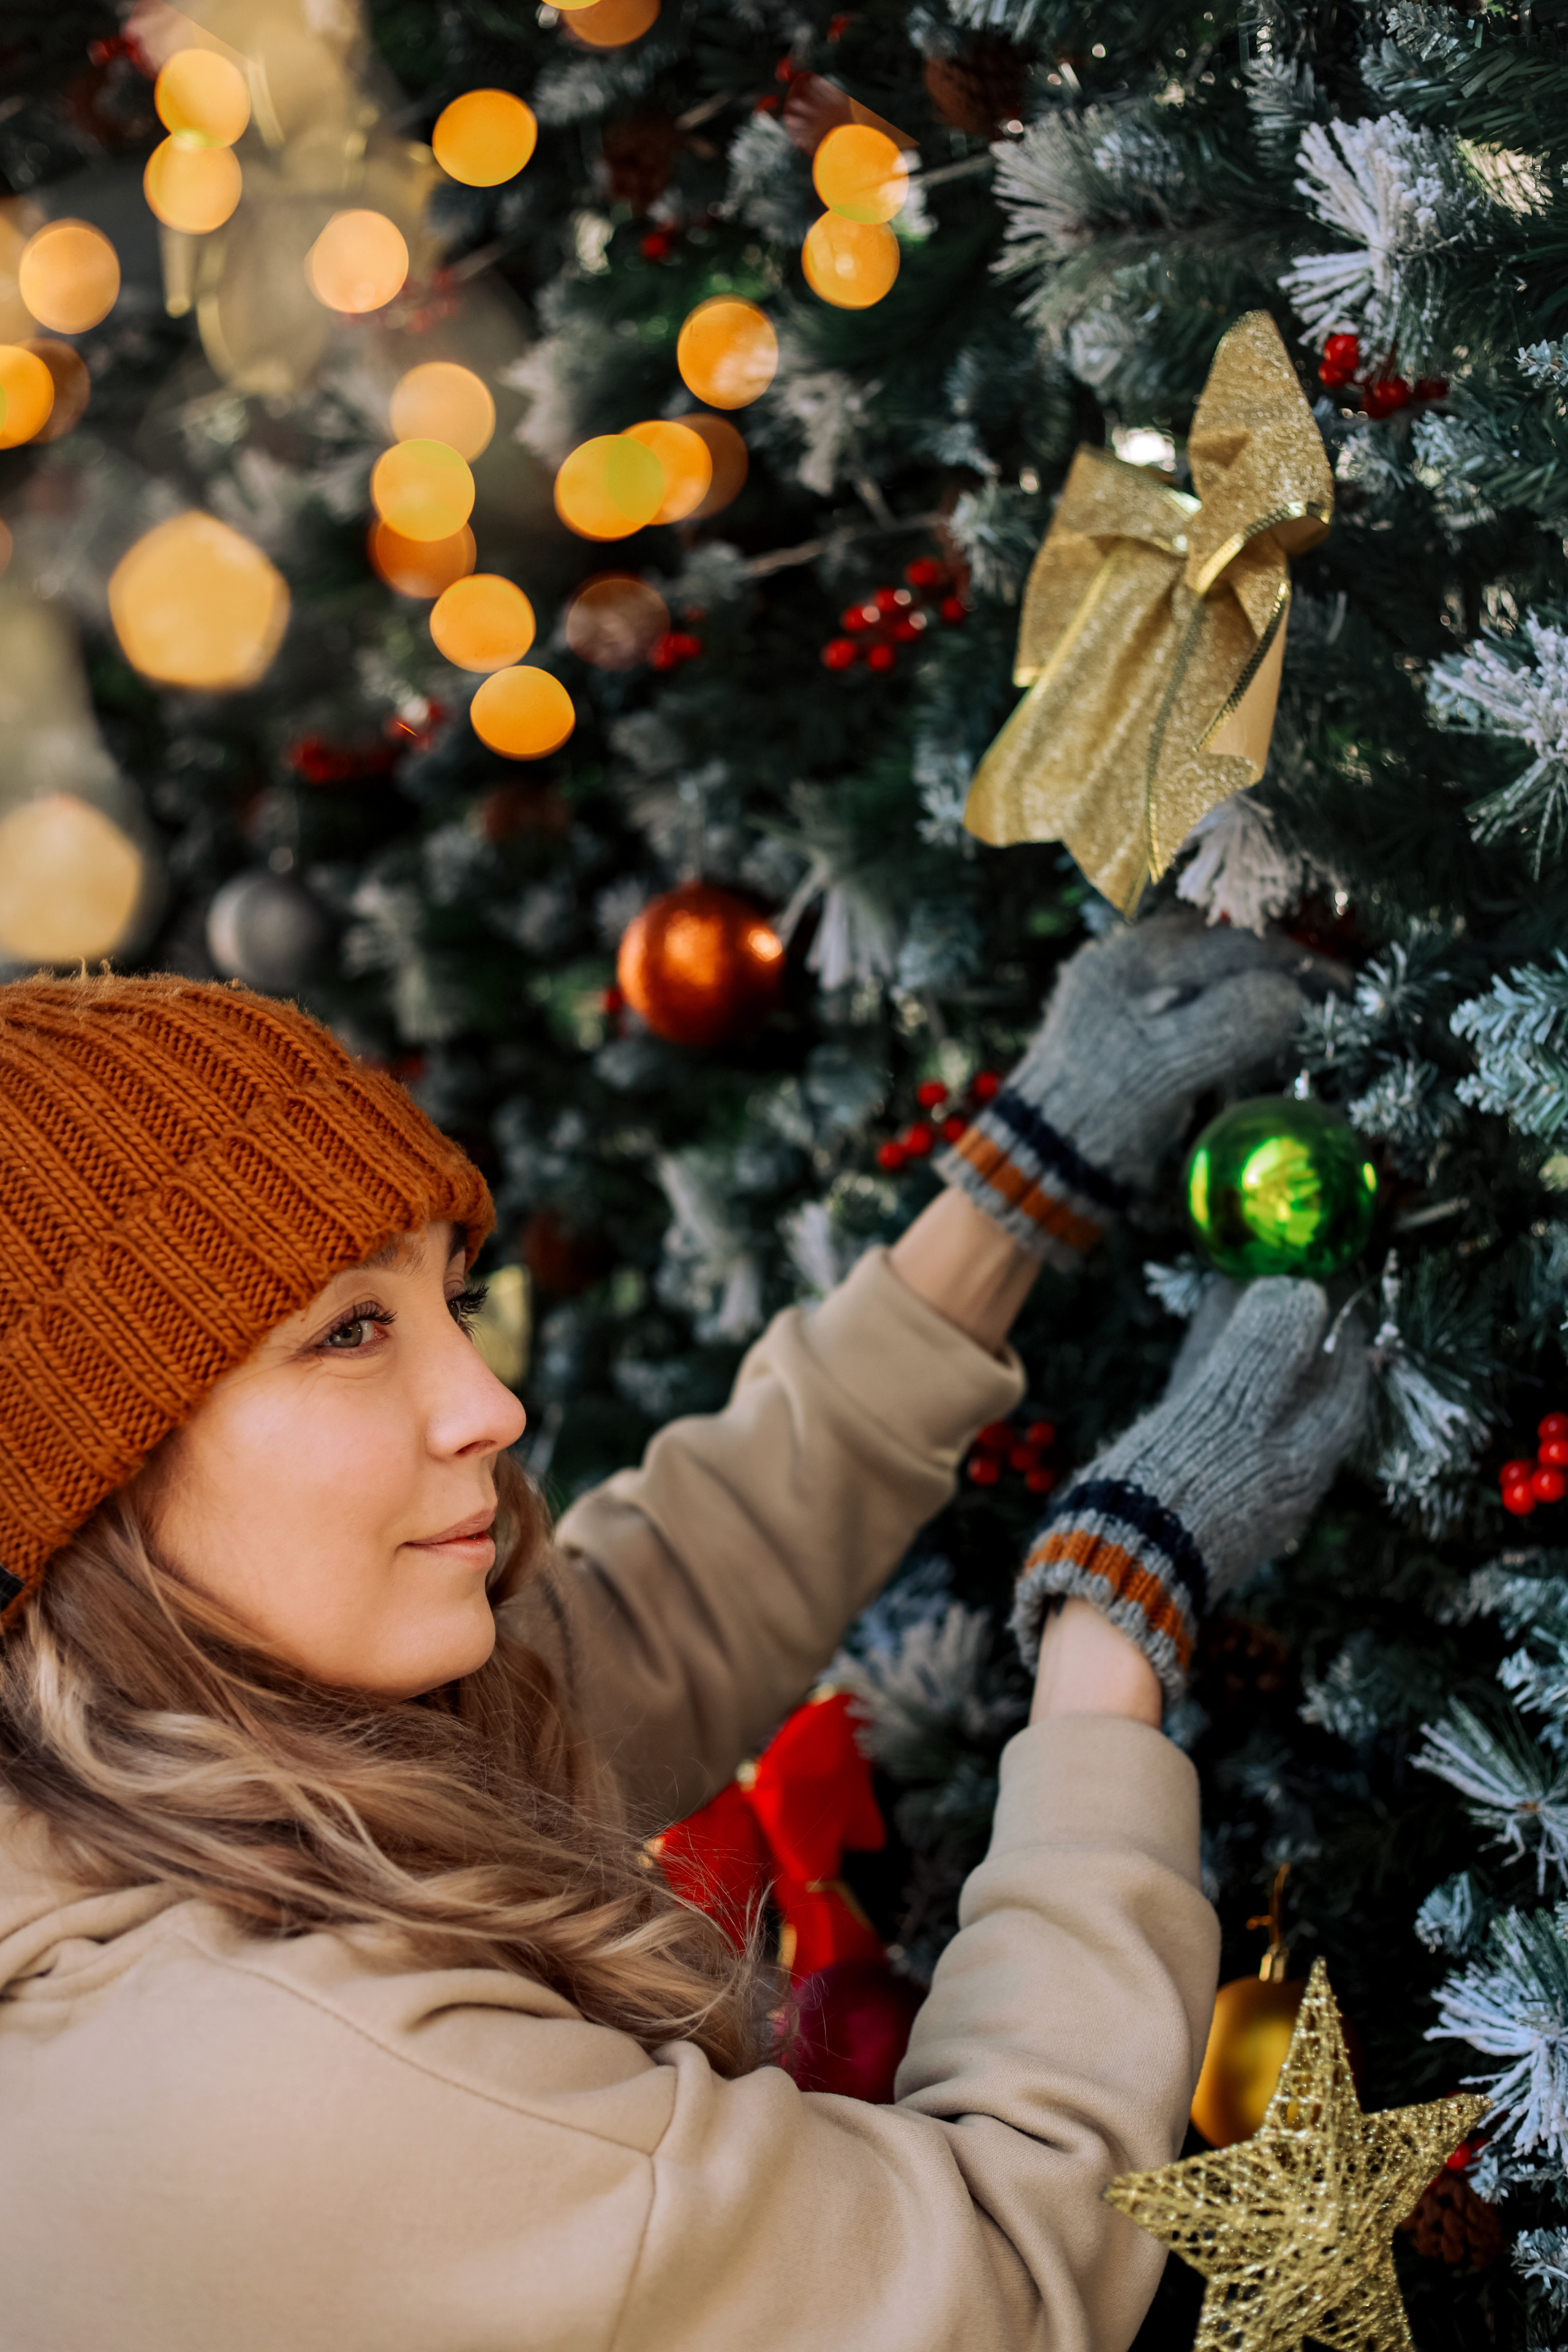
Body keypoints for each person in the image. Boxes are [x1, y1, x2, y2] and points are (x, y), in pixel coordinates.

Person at [0, 918, 1364, 2352]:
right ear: (85, 1470)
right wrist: (1109, 1641)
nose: (488, 1404)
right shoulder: (298, 2078)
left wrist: (1013, 1192)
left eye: (446, 1299)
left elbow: (638, 1627)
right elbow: (994, 2277)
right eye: (350, 1330)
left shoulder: (131, 1787)